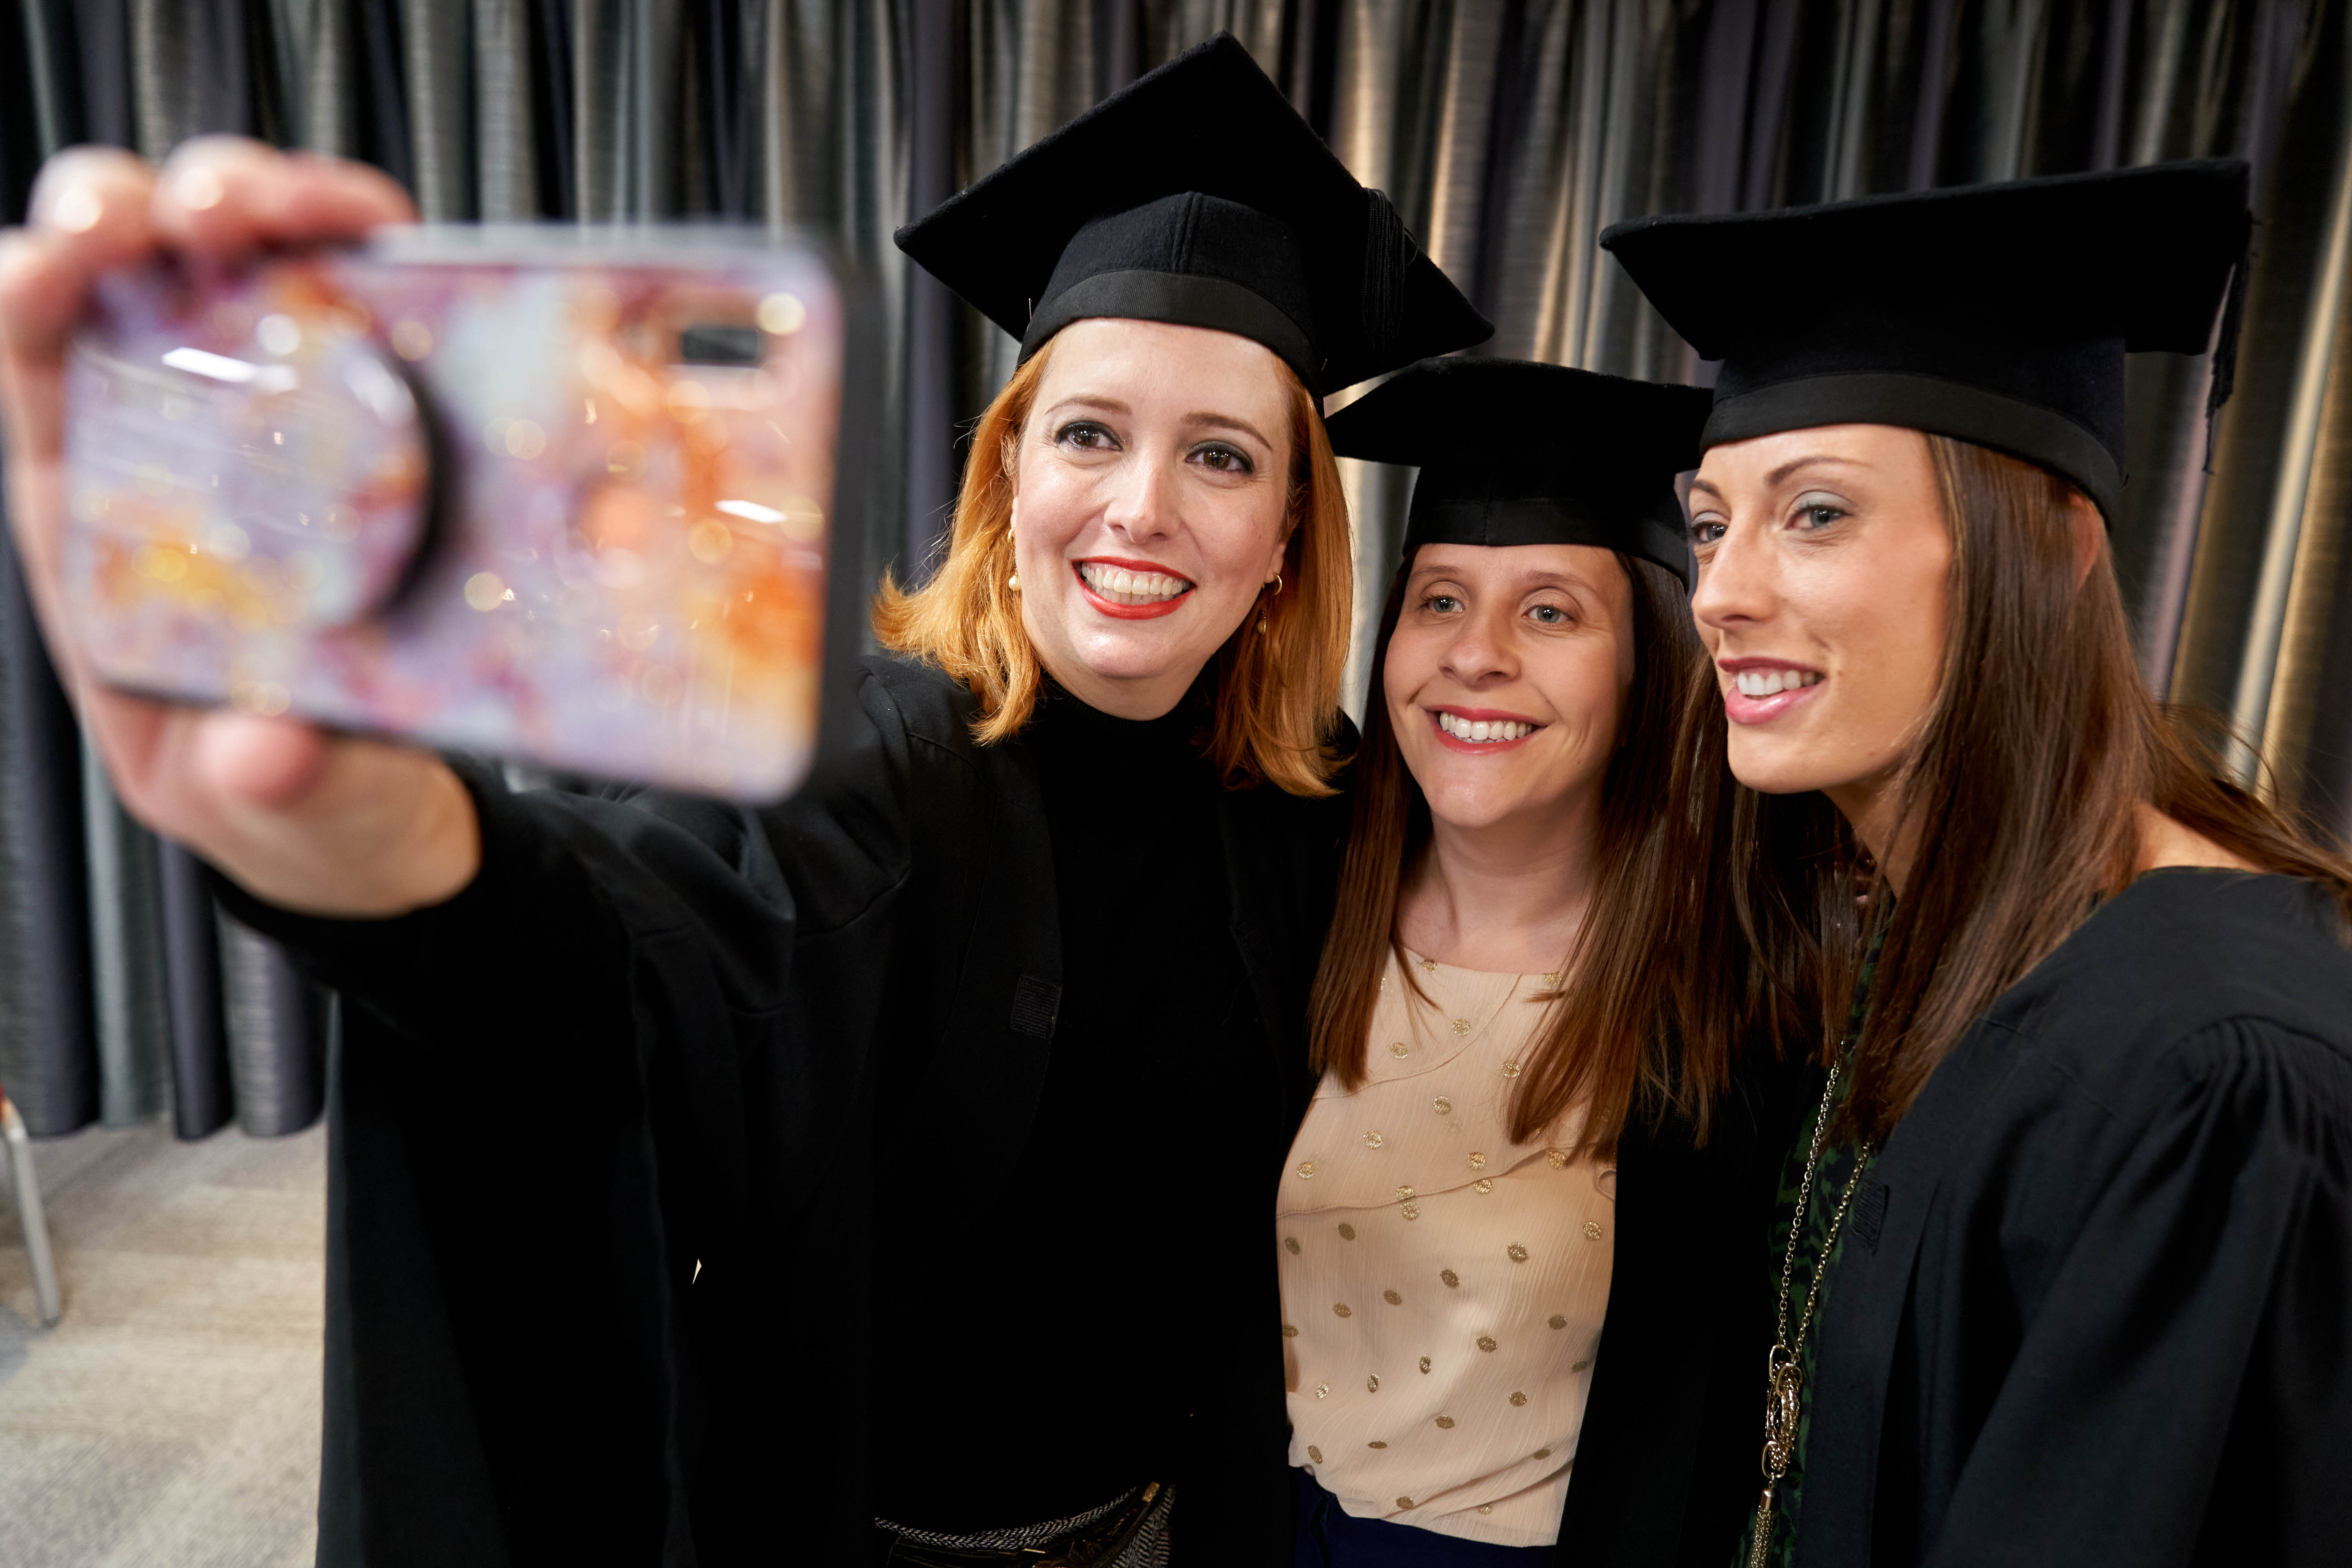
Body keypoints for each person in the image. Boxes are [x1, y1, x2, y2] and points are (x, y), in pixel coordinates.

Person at [0, 36, 1493, 1568]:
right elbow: (642, 951)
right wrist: (401, 858)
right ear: (1009, 479)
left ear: (1288, 538)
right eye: (1089, 433)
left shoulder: (1315, 809)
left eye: (1221, 457)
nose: (1140, 506)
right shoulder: (873, 756)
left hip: (1168, 1532)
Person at [1599, 159, 2352, 1567]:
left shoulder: (2210, 1070)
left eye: (1816, 514)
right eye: (1710, 523)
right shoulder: (1912, 933)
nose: (1722, 594)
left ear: (2055, 547)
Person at [1281, 358, 1771, 1568]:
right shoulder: (1291, 903)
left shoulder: (1728, 996)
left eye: (1550, 612)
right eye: (1440, 599)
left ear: (1647, 664)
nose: (1478, 654)